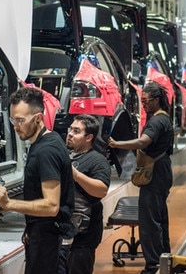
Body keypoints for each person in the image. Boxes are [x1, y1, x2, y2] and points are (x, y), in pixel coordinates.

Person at [0, 87, 75, 274]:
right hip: (43, 234)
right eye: (13, 120)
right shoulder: (47, 141)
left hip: (50, 240)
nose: (15, 126)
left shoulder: (46, 151)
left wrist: (9, 203)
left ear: (38, 118)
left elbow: (51, 206)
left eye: (20, 120)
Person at [108, 82, 174, 274]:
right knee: (159, 218)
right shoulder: (162, 117)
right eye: (141, 100)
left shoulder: (156, 121)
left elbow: (143, 141)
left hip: (156, 173)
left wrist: (117, 144)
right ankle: (164, 258)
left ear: (157, 100)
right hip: (161, 171)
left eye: (146, 101)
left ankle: (153, 265)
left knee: (149, 222)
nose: (143, 104)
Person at [59, 114, 112, 274]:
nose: (70, 133)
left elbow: (101, 189)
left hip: (84, 234)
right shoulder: (66, 155)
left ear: (89, 137)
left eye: (76, 131)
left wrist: (75, 175)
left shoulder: (97, 160)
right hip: (63, 229)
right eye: (70, 129)